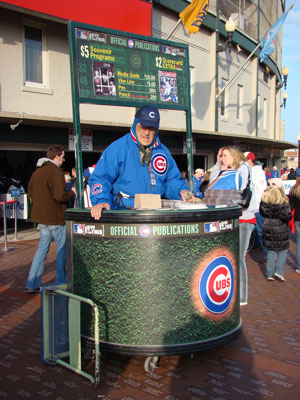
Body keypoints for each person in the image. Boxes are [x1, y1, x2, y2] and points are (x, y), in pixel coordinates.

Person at [89, 105, 192, 219]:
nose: (146, 132)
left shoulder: (163, 151)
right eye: (143, 127)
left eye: (151, 128)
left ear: (157, 129)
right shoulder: (119, 149)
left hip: (156, 215)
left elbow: (171, 180)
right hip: (125, 215)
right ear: (135, 124)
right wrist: (101, 200)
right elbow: (100, 178)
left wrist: (181, 191)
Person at [208, 146, 256, 305]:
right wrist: (217, 165)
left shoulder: (241, 171)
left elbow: (224, 192)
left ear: (234, 157)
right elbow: (213, 185)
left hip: (243, 217)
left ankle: (242, 296)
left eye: (225, 156)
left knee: (239, 257)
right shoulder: (228, 171)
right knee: (231, 256)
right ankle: (235, 293)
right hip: (234, 217)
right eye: (222, 156)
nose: (223, 159)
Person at [25, 145, 76, 293]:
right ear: (57, 156)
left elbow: (31, 192)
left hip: (41, 218)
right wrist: (72, 192)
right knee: (61, 250)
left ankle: (32, 282)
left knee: (42, 249)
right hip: (56, 217)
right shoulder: (55, 172)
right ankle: (60, 283)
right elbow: (59, 196)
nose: (63, 159)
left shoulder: (37, 172)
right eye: (63, 157)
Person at [260, 182, 292, 281]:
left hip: (268, 227)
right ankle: (279, 271)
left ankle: (269, 273)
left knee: (271, 251)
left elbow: (262, 213)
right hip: (281, 228)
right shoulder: (283, 203)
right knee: (283, 250)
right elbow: (287, 216)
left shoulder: (265, 203)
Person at [244, 152, 267, 257]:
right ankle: (263, 249)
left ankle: (266, 252)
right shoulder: (252, 170)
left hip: (257, 206)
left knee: (261, 230)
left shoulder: (257, 171)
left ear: (249, 160)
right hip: (253, 206)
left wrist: (258, 203)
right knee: (257, 230)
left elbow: (260, 188)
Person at [288, 177, 300, 275]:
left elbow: (291, 206)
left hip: (297, 219)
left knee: (299, 244)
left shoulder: (294, 191)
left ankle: (299, 267)